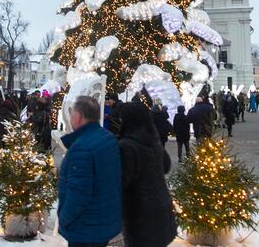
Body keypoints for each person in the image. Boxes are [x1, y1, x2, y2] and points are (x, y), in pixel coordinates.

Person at [58, 96, 121, 247]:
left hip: (85, 228)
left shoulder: (82, 147)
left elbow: (78, 194)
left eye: (72, 113)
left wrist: (63, 219)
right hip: (103, 222)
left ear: (79, 117)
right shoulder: (107, 138)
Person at [117, 102, 177, 247]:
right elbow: (166, 166)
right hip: (161, 206)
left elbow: (121, 181)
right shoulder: (153, 139)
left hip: (140, 215)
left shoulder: (126, 146)